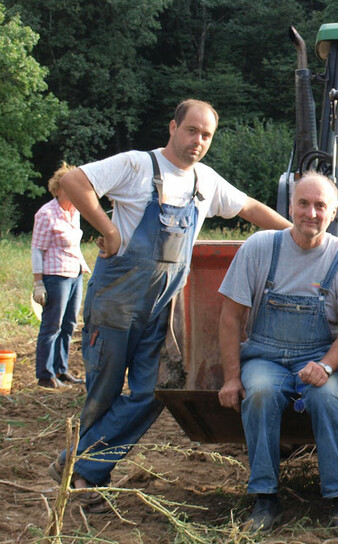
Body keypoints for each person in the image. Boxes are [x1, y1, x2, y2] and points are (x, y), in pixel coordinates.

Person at [48, 99, 291, 512]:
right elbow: (73, 181)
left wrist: (304, 235)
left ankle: (77, 464)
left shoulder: (205, 181)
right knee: (103, 394)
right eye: (192, 130)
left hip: (160, 309)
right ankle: (85, 480)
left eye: (206, 135)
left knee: (153, 392)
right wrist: (106, 228)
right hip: (114, 303)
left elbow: (249, 208)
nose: (198, 141)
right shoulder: (136, 165)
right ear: (173, 126)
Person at [217, 173, 338, 533]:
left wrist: (327, 366)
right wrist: (230, 376)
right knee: (259, 394)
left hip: (320, 354)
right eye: (303, 203)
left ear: (333, 213)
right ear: (290, 206)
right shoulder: (260, 247)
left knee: (327, 399)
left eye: (320, 206)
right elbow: (230, 318)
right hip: (264, 356)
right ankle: (265, 500)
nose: (311, 212)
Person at [32, 162, 90, 389]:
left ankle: (61, 369)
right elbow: (37, 249)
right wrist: (39, 283)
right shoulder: (46, 214)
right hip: (55, 276)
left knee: (69, 324)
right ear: (57, 189)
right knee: (52, 325)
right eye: (69, 188)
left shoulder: (74, 212)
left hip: (75, 273)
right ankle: (45, 375)